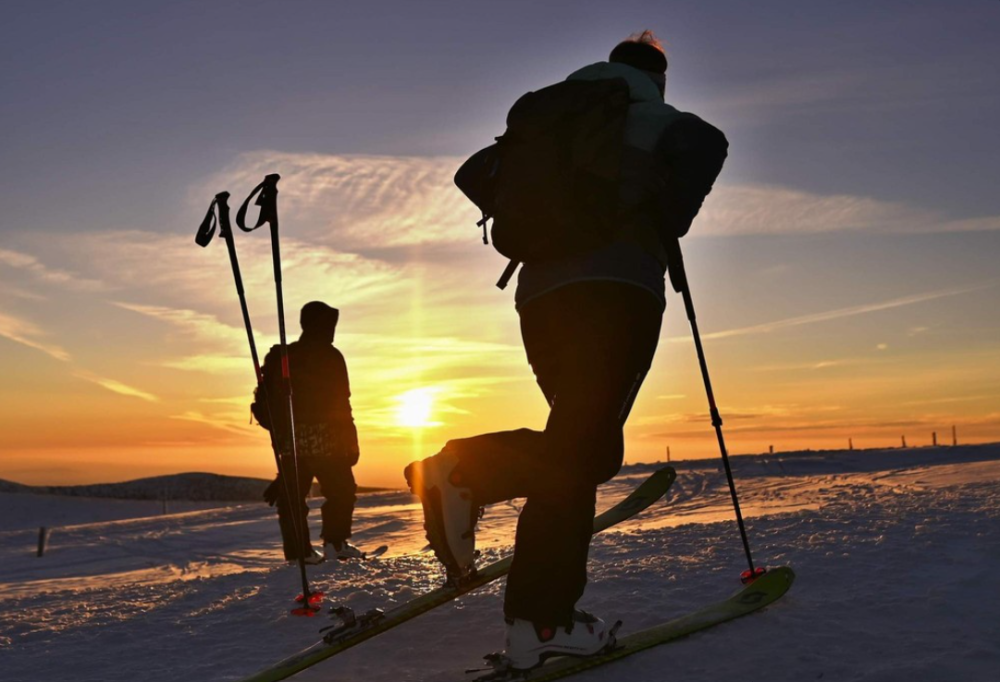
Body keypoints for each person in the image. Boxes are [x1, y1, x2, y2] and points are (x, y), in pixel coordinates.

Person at [405, 31, 727, 669]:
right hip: (618, 292)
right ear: (657, 78)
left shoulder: (544, 119)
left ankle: (486, 508)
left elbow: (478, 176)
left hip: (540, 299)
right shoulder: (668, 123)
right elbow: (692, 183)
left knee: (583, 448)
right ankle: (536, 615)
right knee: (580, 450)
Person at [257, 301, 364, 563]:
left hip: (291, 440)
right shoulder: (331, 356)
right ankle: (335, 543)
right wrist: (351, 440)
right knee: (341, 491)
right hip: (328, 439)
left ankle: (299, 553)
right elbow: (342, 401)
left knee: (292, 499)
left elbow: (269, 401)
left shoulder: (283, 357)